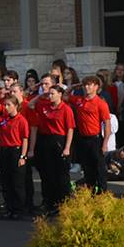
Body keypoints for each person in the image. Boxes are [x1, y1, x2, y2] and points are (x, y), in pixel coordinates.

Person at [27, 82, 74, 214]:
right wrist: (42, 94)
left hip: (59, 140)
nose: (50, 96)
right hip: (45, 140)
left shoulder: (66, 109)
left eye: (53, 93)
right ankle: (49, 202)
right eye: (50, 93)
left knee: (61, 175)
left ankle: (63, 203)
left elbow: (70, 129)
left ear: (60, 94)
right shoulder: (44, 105)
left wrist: (67, 148)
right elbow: (30, 105)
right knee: (47, 174)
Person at [71, 76, 111, 195]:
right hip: (82, 139)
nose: (86, 87)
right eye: (85, 85)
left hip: (95, 139)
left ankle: (103, 195)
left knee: (99, 169)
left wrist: (105, 144)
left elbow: (107, 124)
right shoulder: (79, 100)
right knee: (87, 169)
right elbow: (64, 96)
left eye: (89, 85)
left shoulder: (100, 103)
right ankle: (90, 193)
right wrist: (74, 86)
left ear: (96, 87)